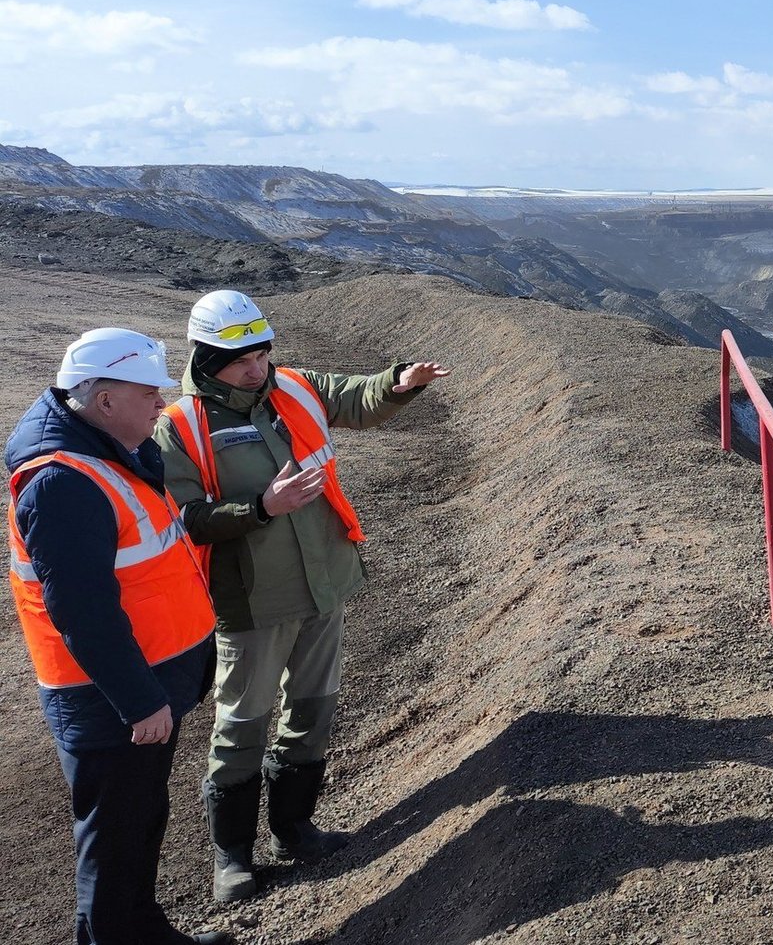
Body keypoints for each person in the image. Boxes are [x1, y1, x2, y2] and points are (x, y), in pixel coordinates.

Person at [154, 290, 448, 903]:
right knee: (242, 724)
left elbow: (356, 399)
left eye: (262, 353)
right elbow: (184, 517)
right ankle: (231, 856)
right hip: (252, 602)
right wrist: (261, 507)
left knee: (311, 709)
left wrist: (398, 382)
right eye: (241, 360)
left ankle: (294, 828)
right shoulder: (180, 427)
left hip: (324, 583)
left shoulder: (293, 386)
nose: (256, 368)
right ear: (207, 358)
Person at [7, 328, 234, 945]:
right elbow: (83, 612)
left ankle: (146, 931)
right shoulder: (64, 484)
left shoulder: (106, 452)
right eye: (148, 394)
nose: (162, 406)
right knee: (112, 844)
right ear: (104, 400)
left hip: (139, 686)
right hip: (110, 699)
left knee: (138, 824)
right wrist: (138, 699)